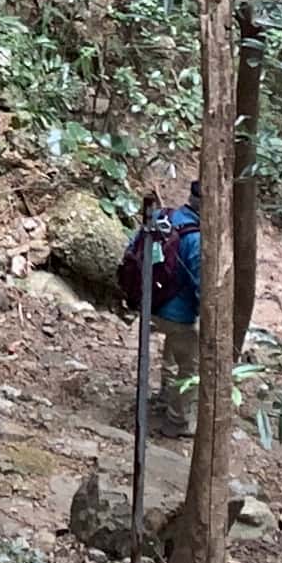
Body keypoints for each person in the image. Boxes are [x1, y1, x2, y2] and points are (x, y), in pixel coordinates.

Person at [121, 185, 205, 437]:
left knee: (174, 349)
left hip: (149, 305)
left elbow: (132, 246)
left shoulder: (162, 217)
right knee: (190, 365)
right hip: (177, 316)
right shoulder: (196, 237)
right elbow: (200, 282)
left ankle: (165, 397)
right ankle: (176, 420)